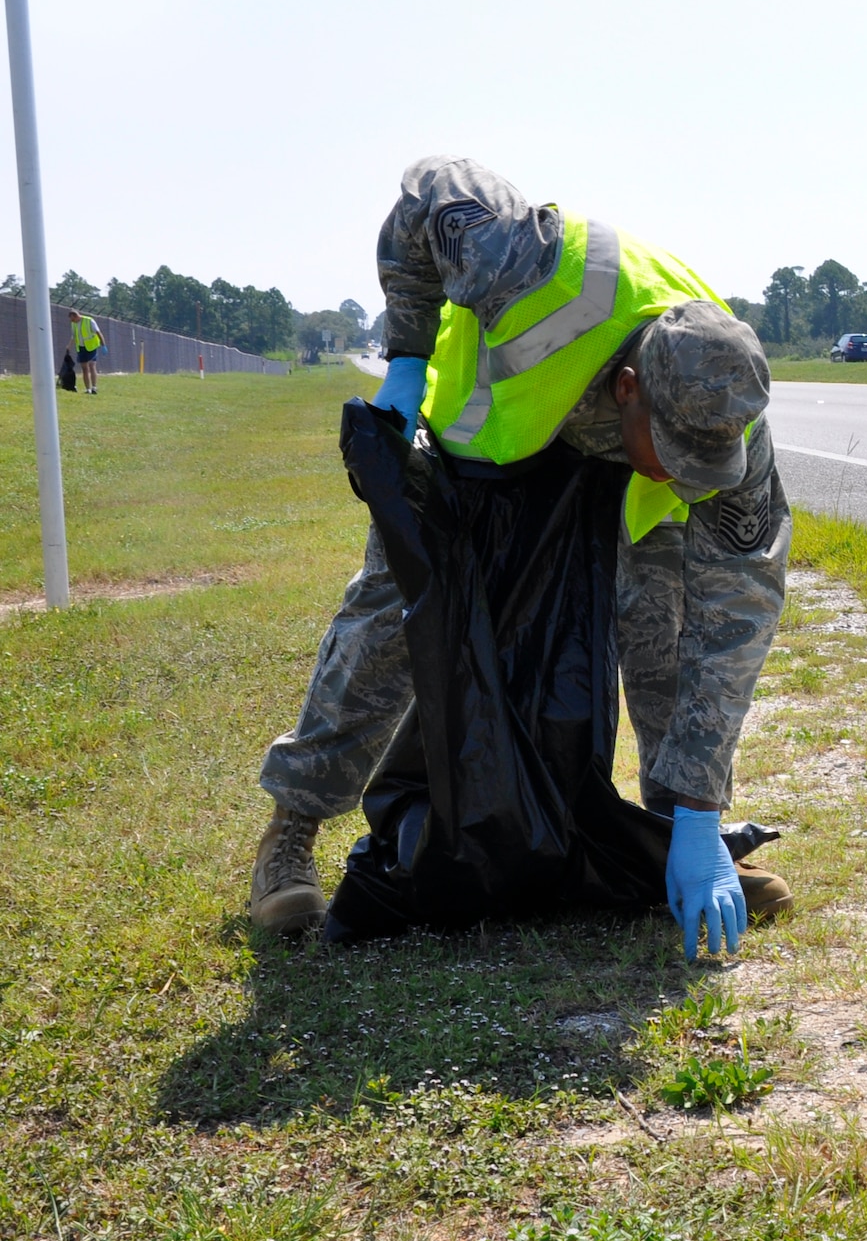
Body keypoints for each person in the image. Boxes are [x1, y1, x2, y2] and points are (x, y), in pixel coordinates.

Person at [251, 157, 794, 956]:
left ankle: (673, 852)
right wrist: (405, 356)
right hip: (482, 446)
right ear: (629, 387)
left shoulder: (728, 420)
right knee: (389, 623)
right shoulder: (526, 263)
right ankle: (289, 835)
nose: (686, 475)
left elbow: (733, 627)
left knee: (665, 633)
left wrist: (703, 816)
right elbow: (427, 192)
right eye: (671, 451)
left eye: (701, 463)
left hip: (603, 466)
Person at [69, 310, 103, 393]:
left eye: (72, 319)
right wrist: (69, 346)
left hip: (91, 347)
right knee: (84, 368)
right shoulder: (73, 324)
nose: (71, 321)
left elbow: (98, 332)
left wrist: (103, 344)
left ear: (76, 316)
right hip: (81, 348)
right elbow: (73, 336)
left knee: (92, 366)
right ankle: (88, 389)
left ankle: (94, 387)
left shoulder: (89, 321)